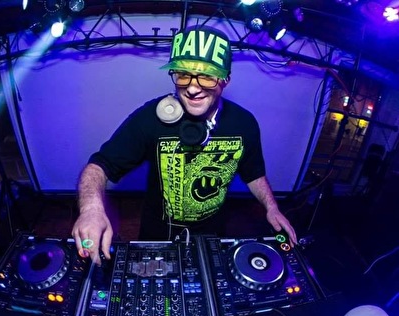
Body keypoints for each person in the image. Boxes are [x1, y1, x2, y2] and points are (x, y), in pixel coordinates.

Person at [72, 25, 297, 263]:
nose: (192, 88)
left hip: (213, 236)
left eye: (207, 76)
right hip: (157, 237)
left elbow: (254, 174)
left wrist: (272, 207)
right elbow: (99, 167)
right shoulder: (150, 118)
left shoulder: (244, 123)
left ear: (225, 80)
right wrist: (91, 210)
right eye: (183, 74)